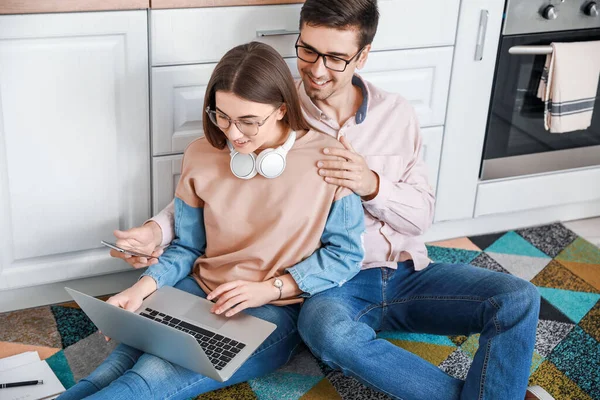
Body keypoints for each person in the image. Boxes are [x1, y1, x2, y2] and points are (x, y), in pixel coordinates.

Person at [114, 1, 550, 399]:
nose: (317, 70)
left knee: (518, 298)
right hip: (332, 283)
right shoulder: (270, 108)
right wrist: (156, 229)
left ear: (362, 55)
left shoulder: (396, 114)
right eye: (308, 51)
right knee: (328, 332)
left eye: (336, 57)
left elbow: (420, 218)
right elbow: (218, 187)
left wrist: (371, 184)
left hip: (403, 270)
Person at [57, 41, 365, 400]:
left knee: (148, 378)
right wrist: (139, 290)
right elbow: (188, 246)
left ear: (282, 109)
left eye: (249, 122)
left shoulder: (329, 159)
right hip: (198, 288)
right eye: (222, 116)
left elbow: (346, 254)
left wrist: (271, 288)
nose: (233, 134)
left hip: (271, 309)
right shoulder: (202, 154)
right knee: (111, 368)